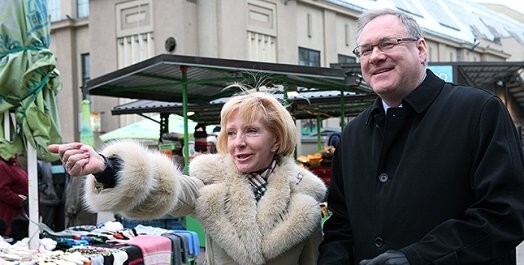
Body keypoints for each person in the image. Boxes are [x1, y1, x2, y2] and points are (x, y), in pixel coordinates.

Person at [318, 8, 524, 265]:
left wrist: (417, 258)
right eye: (366, 50)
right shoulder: (353, 135)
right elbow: (340, 227)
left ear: (421, 49)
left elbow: (505, 214)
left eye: (387, 43)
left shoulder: (479, 112)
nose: (376, 56)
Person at [48, 90, 327, 265]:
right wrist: (106, 168)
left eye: (251, 131)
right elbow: (167, 188)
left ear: (276, 140)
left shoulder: (307, 195)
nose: (237, 142)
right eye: (231, 133)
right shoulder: (212, 180)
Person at [0, 156, 28, 237]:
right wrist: (19, 200)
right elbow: (2, 190)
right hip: (7, 213)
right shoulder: (2, 166)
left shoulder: (13, 164)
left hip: (17, 213)